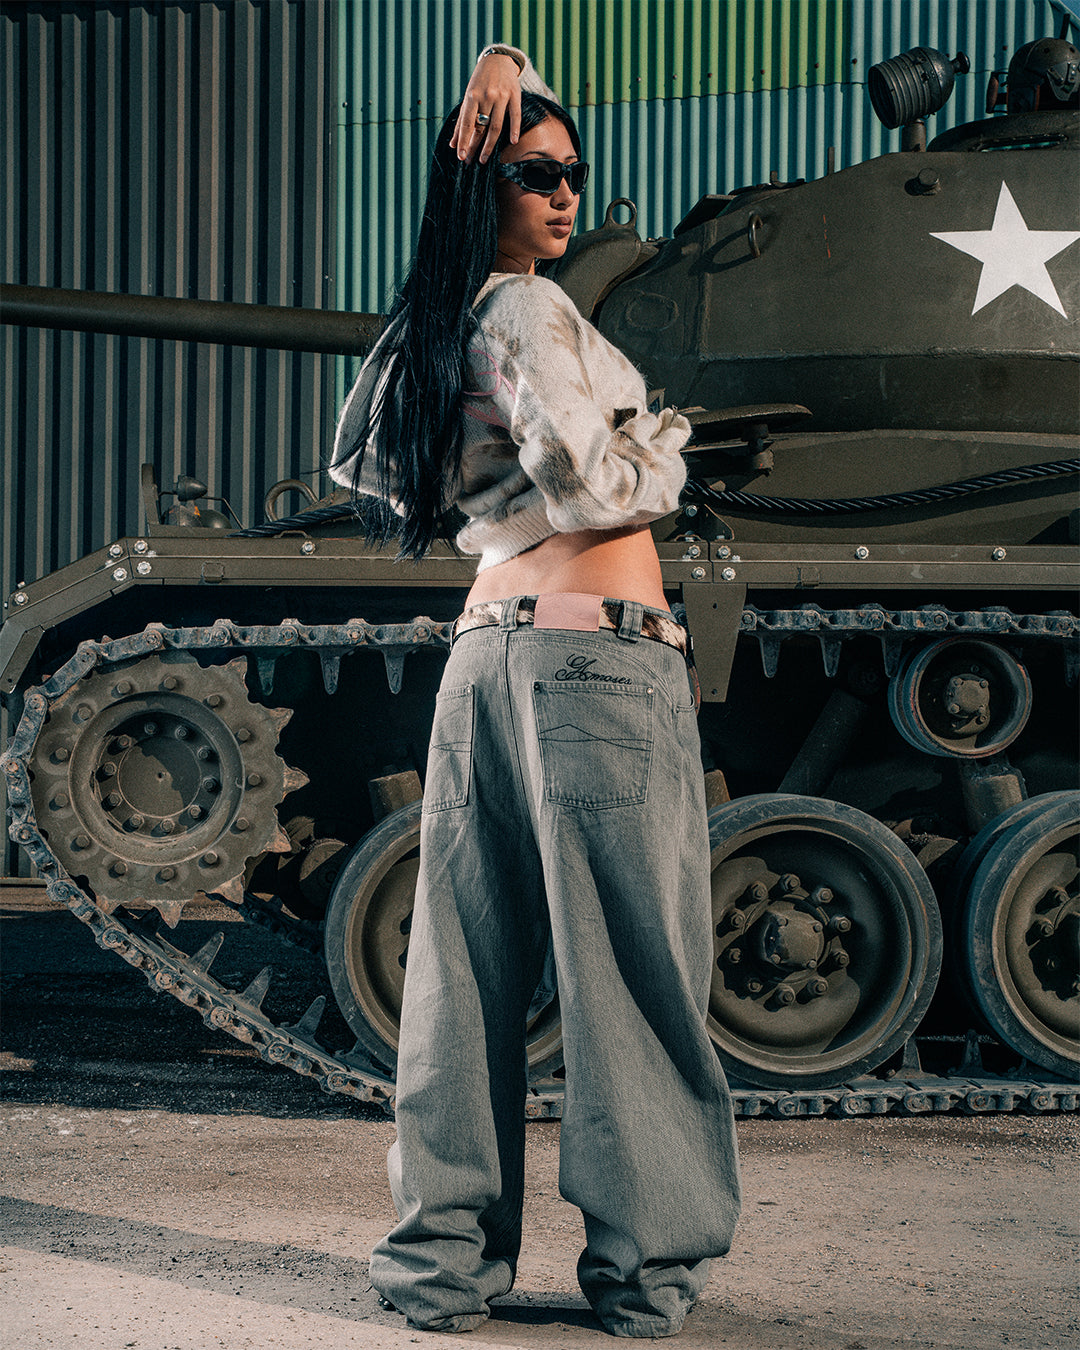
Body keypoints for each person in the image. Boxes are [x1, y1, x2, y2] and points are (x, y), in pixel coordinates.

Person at [329, 45, 740, 1340]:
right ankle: (644, 1273)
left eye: (572, 173)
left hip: (487, 656)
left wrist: (503, 70)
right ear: (481, 188)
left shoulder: (436, 319)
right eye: (534, 174)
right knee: (632, 971)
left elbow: (367, 461)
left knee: (462, 975)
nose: (565, 194)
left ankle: (439, 1269)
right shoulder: (526, 308)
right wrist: (661, 447)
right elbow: (588, 484)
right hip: (595, 661)